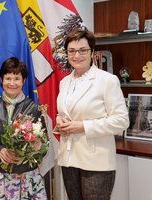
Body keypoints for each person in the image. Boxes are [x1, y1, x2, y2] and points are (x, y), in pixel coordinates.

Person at [55, 29, 129, 200]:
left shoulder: (107, 80)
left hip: (96, 162)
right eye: (71, 51)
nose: (76, 55)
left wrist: (82, 126)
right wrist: (60, 121)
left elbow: (122, 121)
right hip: (68, 158)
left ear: (93, 53)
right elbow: (65, 112)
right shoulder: (64, 82)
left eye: (83, 50)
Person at [0, 57, 48, 199]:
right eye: (8, 78)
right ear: (1, 80)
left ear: (23, 81)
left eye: (16, 78)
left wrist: (30, 151)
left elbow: (44, 142)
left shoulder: (34, 108)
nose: (12, 83)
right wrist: (0, 150)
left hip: (27, 175)